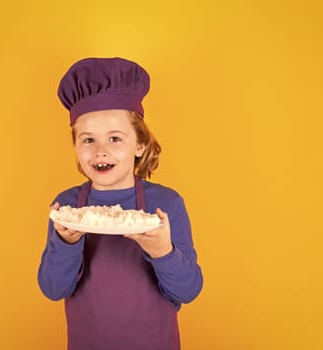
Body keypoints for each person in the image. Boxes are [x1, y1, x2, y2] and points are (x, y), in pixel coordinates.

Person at [37, 57, 203, 350]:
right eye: (88, 140)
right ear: (75, 145)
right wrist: (66, 242)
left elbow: (188, 290)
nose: (101, 151)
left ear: (139, 144)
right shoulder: (67, 206)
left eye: (115, 138)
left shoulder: (165, 204)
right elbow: (53, 289)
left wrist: (163, 252)